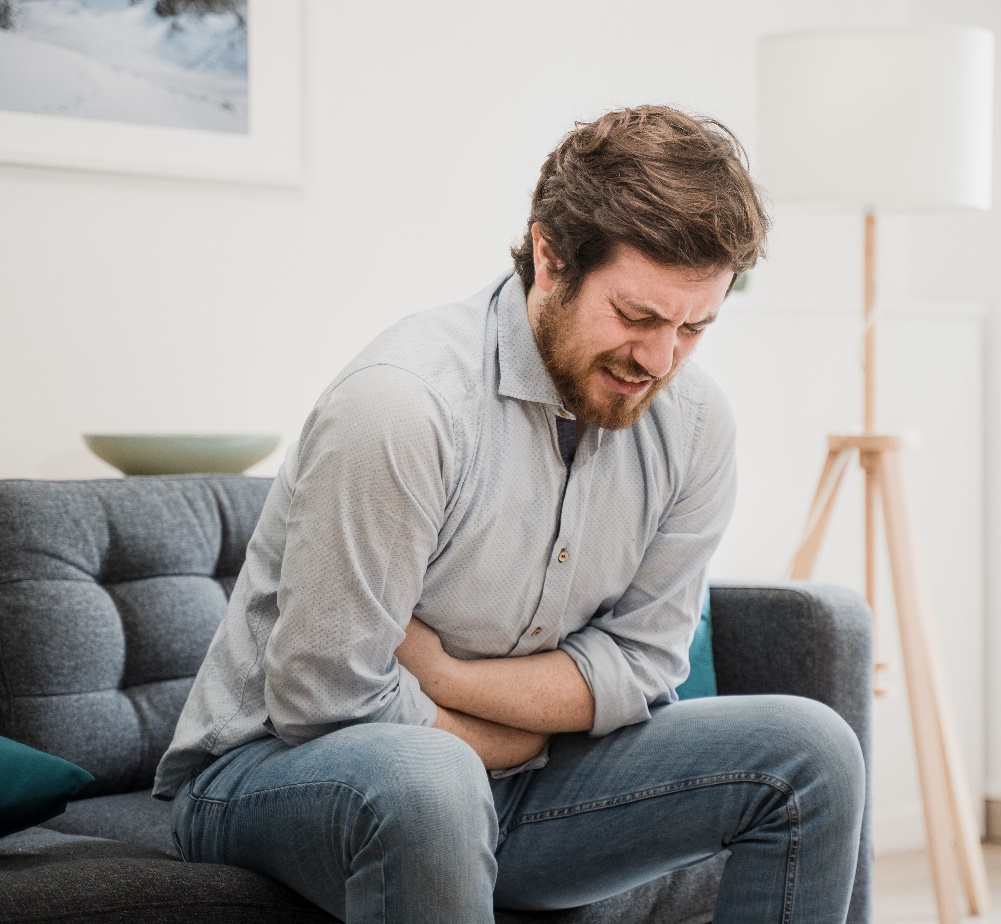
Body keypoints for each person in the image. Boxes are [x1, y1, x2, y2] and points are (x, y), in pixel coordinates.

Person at [153, 105, 866, 923]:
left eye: (693, 327)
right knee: (433, 779)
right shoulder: (405, 406)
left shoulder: (695, 423)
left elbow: (642, 666)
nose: (659, 360)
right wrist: (514, 737)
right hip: (267, 777)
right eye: (636, 317)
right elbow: (324, 701)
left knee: (814, 752)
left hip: (511, 790)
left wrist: (452, 678)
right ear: (551, 258)